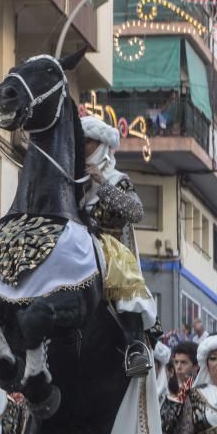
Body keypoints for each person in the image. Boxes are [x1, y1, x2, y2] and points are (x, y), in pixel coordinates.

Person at [78, 115, 158, 376]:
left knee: (121, 274)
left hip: (108, 248)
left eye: (86, 143)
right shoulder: (70, 178)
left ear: (101, 145)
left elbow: (135, 212)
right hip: (76, 244)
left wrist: (101, 183)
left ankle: (134, 347)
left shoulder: (116, 178)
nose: (81, 148)